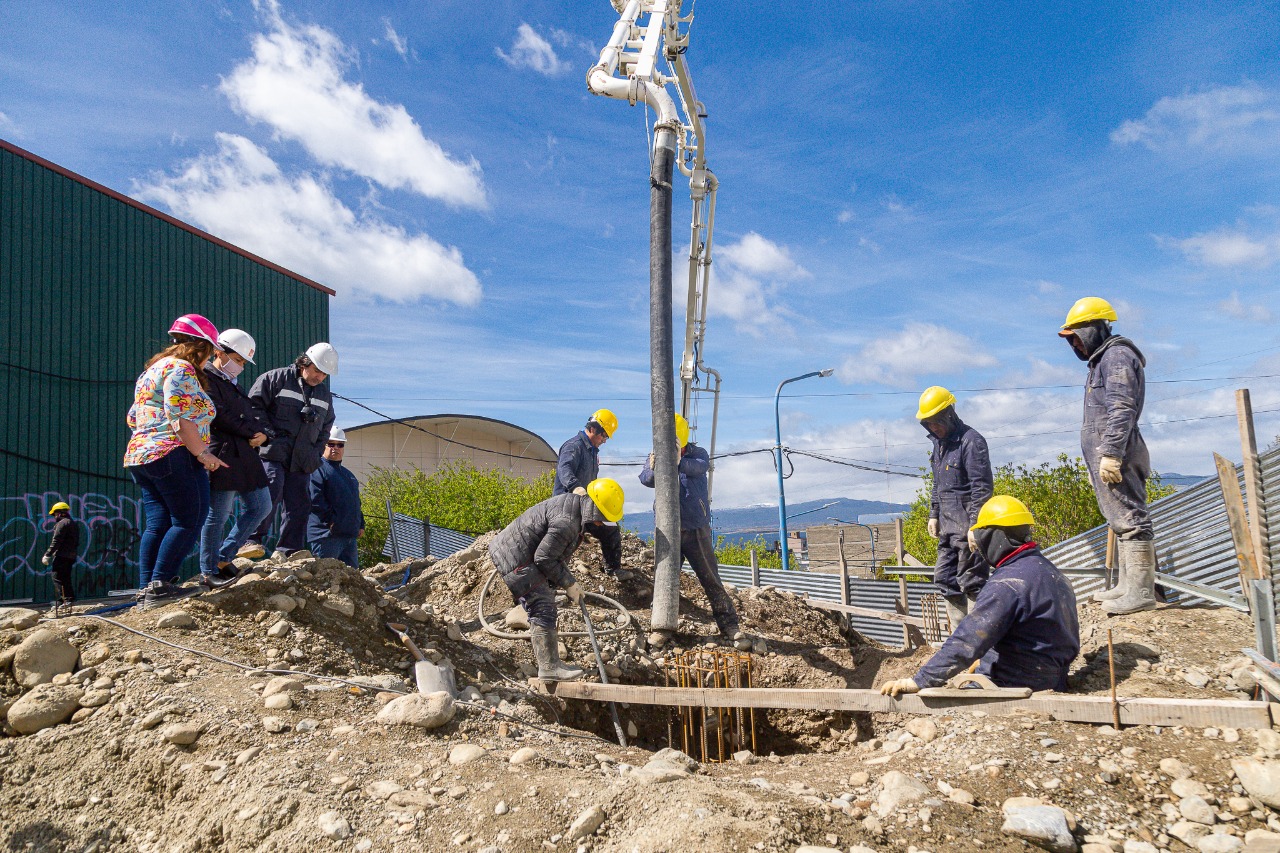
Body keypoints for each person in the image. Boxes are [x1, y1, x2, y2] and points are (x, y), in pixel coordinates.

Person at [880, 495, 1080, 696]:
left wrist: (919, 680)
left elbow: (967, 641)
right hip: (1054, 678)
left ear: (993, 537)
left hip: (1014, 684)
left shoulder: (1007, 584)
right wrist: (986, 658)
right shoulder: (1051, 572)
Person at [1058, 297, 1157, 615]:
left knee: (1131, 519)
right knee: (1120, 520)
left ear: (1091, 330)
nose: (1074, 344)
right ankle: (1128, 586)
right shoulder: (1102, 360)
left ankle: (1141, 592)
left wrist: (1111, 452)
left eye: (1075, 336)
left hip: (1120, 452)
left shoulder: (1116, 357)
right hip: (1110, 454)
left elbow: (1122, 407)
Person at [124, 314, 228, 601]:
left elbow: (133, 417)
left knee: (158, 524)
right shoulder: (182, 370)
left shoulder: (150, 372)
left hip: (142, 455)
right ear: (202, 346)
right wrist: (203, 454)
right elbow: (180, 417)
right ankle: (160, 585)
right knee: (190, 519)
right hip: (172, 453)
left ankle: (147, 588)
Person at [488, 478, 626, 682]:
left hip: (522, 554)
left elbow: (552, 553)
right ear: (594, 507)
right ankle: (550, 668)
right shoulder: (567, 522)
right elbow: (544, 558)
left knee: (545, 600)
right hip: (516, 559)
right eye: (602, 517)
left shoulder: (575, 509)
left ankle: (552, 664)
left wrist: (563, 580)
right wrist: (569, 583)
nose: (600, 523)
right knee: (543, 605)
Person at [639, 414, 750, 650]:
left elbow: (700, 467)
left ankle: (730, 626)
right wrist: (657, 463)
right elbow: (646, 479)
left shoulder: (697, 454)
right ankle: (660, 629)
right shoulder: (656, 454)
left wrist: (676, 460)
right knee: (665, 581)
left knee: (711, 578)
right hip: (669, 532)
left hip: (696, 529)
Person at [242, 342, 338, 561]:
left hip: (303, 459)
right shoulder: (275, 379)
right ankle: (251, 541)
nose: (319, 377)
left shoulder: (324, 395)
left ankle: (290, 549)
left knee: (299, 505)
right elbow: (253, 407)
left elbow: (326, 426)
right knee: (269, 495)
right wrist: (267, 434)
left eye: (324, 374)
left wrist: (315, 452)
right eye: (317, 371)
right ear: (305, 363)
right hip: (274, 452)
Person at [198, 328, 274, 588]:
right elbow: (217, 414)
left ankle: (223, 557)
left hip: (245, 453)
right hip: (223, 452)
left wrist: (263, 434)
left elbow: (250, 415)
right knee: (218, 514)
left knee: (262, 506)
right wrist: (250, 431)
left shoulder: (233, 384)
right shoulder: (205, 378)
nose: (240, 366)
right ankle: (208, 571)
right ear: (219, 352)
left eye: (243, 362)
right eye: (238, 360)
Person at [916, 385, 994, 627]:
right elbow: (938, 483)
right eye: (928, 424)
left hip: (968, 528)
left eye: (935, 422)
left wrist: (976, 526)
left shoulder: (971, 442)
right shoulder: (939, 445)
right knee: (945, 579)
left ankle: (980, 639)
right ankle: (961, 635)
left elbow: (982, 488)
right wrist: (934, 513)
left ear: (948, 414)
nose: (933, 428)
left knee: (972, 582)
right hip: (948, 528)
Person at [553, 409, 629, 580]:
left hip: (585, 505)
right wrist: (575, 487)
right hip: (566, 506)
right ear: (593, 429)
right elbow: (564, 469)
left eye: (606, 438)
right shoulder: (574, 446)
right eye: (604, 436)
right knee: (565, 544)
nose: (604, 441)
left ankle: (612, 568)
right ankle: (551, 584)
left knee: (610, 529)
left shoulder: (593, 453)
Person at [308, 427, 364, 567]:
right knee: (325, 578)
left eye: (340, 444)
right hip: (326, 536)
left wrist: (360, 524)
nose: (335, 448)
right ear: (323, 445)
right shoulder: (317, 469)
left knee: (351, 581)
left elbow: (355, 502)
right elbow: (315, 500)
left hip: (348, 537)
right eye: (331, 444)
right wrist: (331, 522)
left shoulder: (348, 475)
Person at [42, 501, 79, 609]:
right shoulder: (72, 523)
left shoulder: (62, 523)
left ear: (59, 513)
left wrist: (48, 554)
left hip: (63, 555)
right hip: (71, 555)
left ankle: (66, 599)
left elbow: (56, 540)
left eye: (54, 514)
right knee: (65, 577)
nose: (54, 517)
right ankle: (66, 599)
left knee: (56, 576)